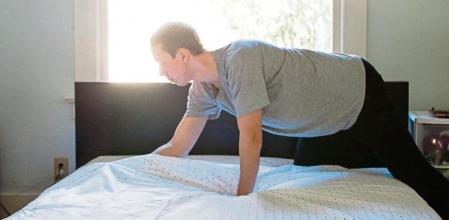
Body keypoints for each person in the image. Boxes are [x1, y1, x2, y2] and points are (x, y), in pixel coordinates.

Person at [149, 22, 449, 218]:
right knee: (309, 164)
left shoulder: (239, 59)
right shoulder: (202, 89)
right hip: (326, 123)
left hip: (357, 91)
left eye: (163, 62)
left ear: (183, 55)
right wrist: (144, 163)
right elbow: (180, 144)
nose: (162, 71)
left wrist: (242, 197)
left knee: (411, 171)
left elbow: (251, 136)